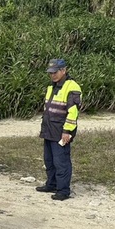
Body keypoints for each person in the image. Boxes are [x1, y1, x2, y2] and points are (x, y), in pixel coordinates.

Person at [36, 58, 82, 201]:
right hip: (49, 129)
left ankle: (63, 191)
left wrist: (67, 131)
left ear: (64, 70)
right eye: (50, 73)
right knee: (49, 160)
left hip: (61, 130)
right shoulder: (52, 86)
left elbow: (73, 112)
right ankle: (52, 184)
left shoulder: (72, 87)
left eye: (55, 72)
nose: (52, 75)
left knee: (61, 161)